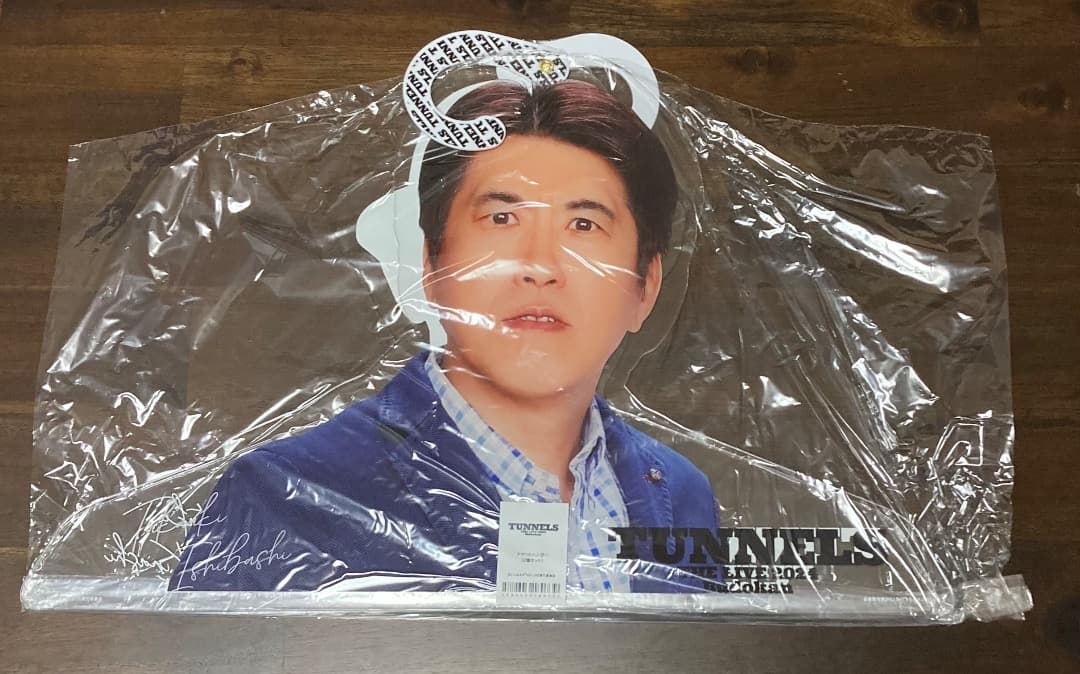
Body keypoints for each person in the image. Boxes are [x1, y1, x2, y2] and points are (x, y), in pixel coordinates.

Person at [169, 79, 719, 594]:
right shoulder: (288, 493)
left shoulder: (680, 493)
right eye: (502, 219)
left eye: (583, 225)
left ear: (645, 286)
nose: (539, 266)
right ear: (432, 265)